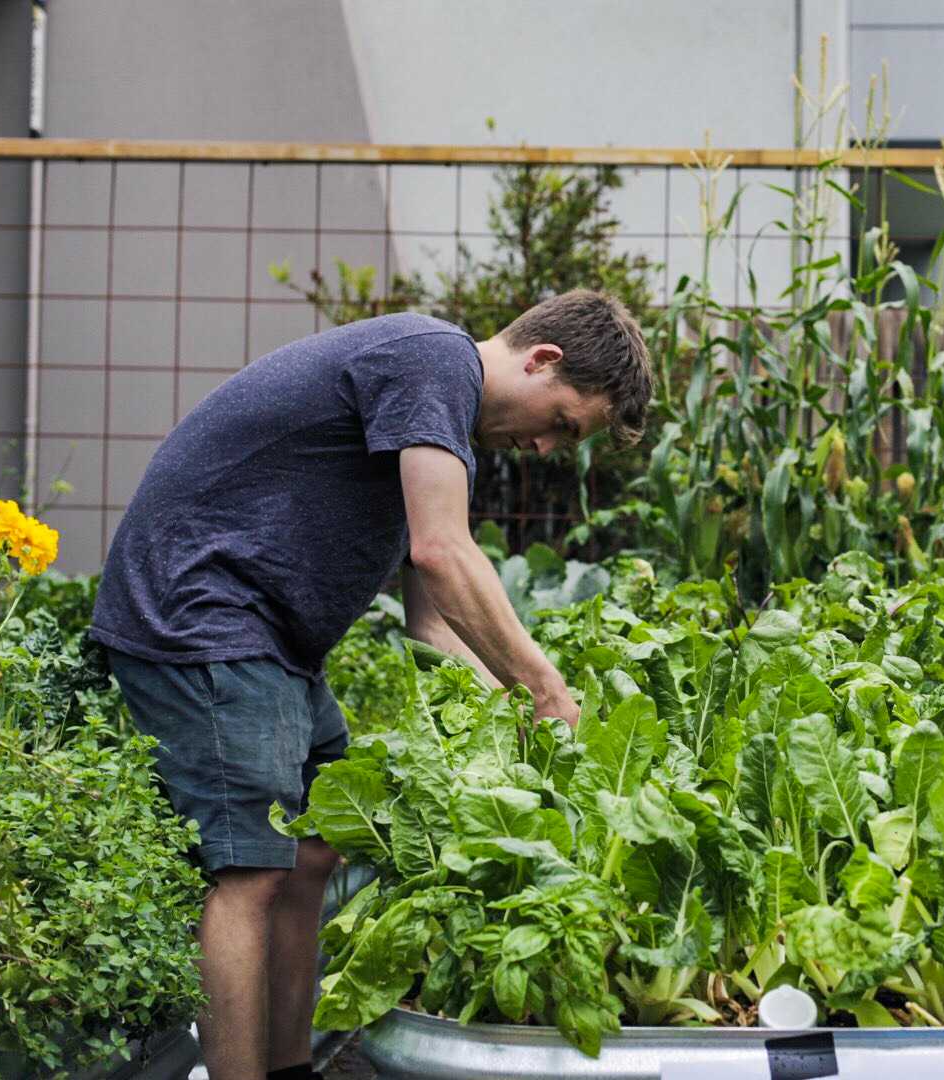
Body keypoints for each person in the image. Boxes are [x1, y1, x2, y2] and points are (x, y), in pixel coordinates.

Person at [89, 289, 651, 1080]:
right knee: (250, 868)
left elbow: (434, 625)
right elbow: (441, 553)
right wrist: (546, 688)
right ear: (542, 359)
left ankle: (290, 1069)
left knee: (317, 847)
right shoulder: (434, 362)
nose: (551, 448)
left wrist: (502, 713)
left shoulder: (442, 420)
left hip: (268, 642)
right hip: (201, 615)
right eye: (563, 422)